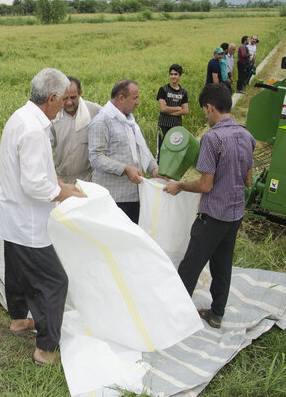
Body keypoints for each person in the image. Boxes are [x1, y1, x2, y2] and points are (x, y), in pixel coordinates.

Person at [0, 68, 85, 366]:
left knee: (18, 273)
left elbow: (32, 172)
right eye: (62, 99)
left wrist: (60, 184)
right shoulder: (35, 130)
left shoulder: (19, 117)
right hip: (29, 222)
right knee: (54, 281)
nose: (64, 105)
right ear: (51, 98)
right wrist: (64, 194)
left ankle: (19, 321)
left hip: (13, 216)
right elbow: (34, 184)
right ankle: (46, 349)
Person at [163, 84, 256, 329]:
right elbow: (248, 180)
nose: (205, 115)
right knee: (222, 265)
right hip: (235, 214)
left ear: (210, 107)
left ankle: (175, 318)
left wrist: (181, 186)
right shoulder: (247, 136)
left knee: (190, 265)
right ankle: (216, 314)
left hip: (213, 215)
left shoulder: (212, 138)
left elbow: (206, 185)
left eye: (205, 110)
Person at [89, 79, 159, 224]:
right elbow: (96, 157)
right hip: (113, 198)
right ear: (121, 98)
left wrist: (153, 169)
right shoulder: (101, 121)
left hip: (134, 195)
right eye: (135, 98)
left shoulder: (130, 122)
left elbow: (142, 150)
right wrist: (125, 169)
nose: (138, 102)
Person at [50, 76, 101, 184]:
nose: (69, 102)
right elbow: (45, 147)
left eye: (73, 97)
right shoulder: (53, 115)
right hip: (63, 179)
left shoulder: (94, 111)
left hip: (89, 179)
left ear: (80, 93)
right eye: (65, 98)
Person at [156, 64, 189, 162]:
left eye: (176, 74)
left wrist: (169, 109)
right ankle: (160, 172)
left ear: (180, 76)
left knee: (175, 150)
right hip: (164, 125)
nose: (173, 76)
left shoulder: (183, 92)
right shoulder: (163, 90)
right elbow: (162, 109)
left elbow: (186, 111)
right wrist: (178, 108)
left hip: (176, 126)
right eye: (171, 74)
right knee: (162, 150)